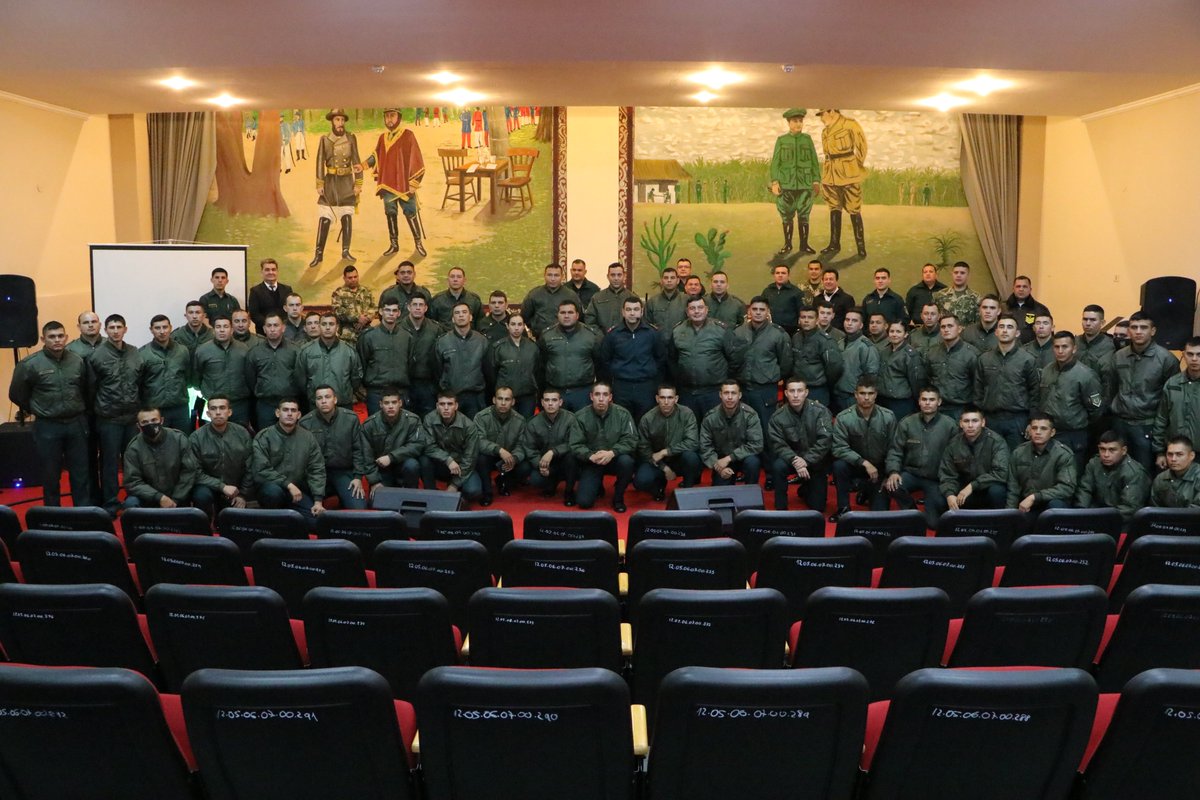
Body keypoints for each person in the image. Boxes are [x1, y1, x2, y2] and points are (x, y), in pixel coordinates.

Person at [7, 320, 90, 506]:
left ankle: (83, 515)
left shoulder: (77, 361)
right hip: (47, 426)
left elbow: (84, 389)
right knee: (50, 475)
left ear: (66, 337)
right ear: (43, 339)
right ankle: (54, 516)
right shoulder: (29, 364)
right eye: (52, 337)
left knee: (80, 474)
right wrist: (36, 408)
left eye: (61, 336)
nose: (57, 340)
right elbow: (16, 394)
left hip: (76, 424)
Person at [1105, 310, 1181, 473]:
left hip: (1147, 426)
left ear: (1152, 331)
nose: (1138, 332)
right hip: (1119, 424)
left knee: (1143, 472)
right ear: (1129, 331)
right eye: (1134, 327)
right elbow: (1111, 388)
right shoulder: (1118, 357)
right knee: (1116, 471)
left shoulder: (1166, 360)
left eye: (1143, 327)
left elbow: (1171, 400)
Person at [88, 314, 144, 516]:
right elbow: (91, 388)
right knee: (110, 463)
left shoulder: (135, 353)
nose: (115, 331)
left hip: (131, 418)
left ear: (125, 329)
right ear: (105, 330)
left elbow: (140, 382)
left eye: (119, 327)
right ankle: (110, 503)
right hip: (108, 418)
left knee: (132, 461)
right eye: (111, 327)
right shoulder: (97, 356)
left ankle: (133, 499)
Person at [884, 386, 957, 528]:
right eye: (924, 399)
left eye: (931, 400)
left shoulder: (950, 425)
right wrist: (893, 472)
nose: (927, 403)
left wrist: (949, 483)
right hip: (912, 474)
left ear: (939, 402)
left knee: (933, 524)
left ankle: (930, 513)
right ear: (919, 401)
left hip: (936, 479)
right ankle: (912, 512)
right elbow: (895, 450)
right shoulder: (907, 422)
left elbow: (955, 457)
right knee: (892, 486)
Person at [829, 377, 896, 520]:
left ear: (876, 395)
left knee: (880, 514)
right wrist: (864, 462)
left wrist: (891, 471)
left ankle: (866, 490)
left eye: (870, 393)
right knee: (838, 465)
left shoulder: (888, 417)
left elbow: (894, 448)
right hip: (856, 465)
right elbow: (839, 448)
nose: (866, 397)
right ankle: (843, 508)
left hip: (879, 468)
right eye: (862, 393)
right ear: (855, 394)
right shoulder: (844, 418)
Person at [364, 106, 426, 257]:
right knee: (390, 213)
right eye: (387, 116)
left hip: (405, 185)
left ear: (399, 117)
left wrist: (414, 182)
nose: (389, 119)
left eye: (392, 116)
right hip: (388, 183)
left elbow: (416, 158)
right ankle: (394, 244)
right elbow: (376, 156)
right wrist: (363, 165)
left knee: (410, 212)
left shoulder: (408, 135)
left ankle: (418, 243)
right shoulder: (382, 137)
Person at [667, 296, 742, 421]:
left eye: (700, 307)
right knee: (689, 430)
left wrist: (722, 377)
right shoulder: (677, 330)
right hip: (687, 392)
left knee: (714, 430)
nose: (696, 311)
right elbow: (672, 359)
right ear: (687, 312)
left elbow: (734, 358)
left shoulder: (720, 330)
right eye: (692, 308)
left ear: (706, 310)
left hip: (713, 392)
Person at [1038, 330, 1104, 470]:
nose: (1060, 351)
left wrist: (1079, 422)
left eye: (1065, 347)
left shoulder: (1086, 375)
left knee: (1072, 475)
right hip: (1048, 433)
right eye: (1056, 347)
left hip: (1073, 435)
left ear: (1074, 348)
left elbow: (1096, 409)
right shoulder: (1046, 371)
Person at [973, 313, 1040, 450]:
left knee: (1015, 460)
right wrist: (979, 417)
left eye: (1009, 327)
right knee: (988, 458)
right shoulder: (984, 359)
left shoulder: (1027, 360)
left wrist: (1031, 421)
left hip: (1017, 420)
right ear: (996, 332)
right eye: (1001, 327)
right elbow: (978, 390)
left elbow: (1035, 392)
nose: (1005, 330)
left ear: (1017, 333)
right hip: (990, 419)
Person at [299, 385, 372, 510]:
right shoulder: (305, 423)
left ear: (335, 399)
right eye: (319, 398)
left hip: (342, 472)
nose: (323, 401)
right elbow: (304, 457)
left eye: (327, 397)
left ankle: (341, 494)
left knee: (359, 508)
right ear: (315, 402)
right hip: (316, 474)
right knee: (303, 508)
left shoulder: (350, 419)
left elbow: (358, 450)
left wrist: (358, 477)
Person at [766, 377, 833, 512]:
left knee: (818, 508)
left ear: (806, 392)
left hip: (815, 459)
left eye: (799, 391)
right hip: (791, 458)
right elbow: (777, 444)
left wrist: (806, 460)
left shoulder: (820, 411)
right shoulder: (778, 416)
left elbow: (825, 440)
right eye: (792, 391)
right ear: (786, 393)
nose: (796, 395)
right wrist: (796, 460)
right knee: (778, 466)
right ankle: (781, 506)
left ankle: (806, 488)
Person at [253, 398, 327, 519]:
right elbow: (261, 470)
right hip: (271, 490)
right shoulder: (264, 436)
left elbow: (317, 468)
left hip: (297, 492)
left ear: (298, 415)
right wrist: (288, 485)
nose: (289, 413)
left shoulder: (307, 437)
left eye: (293, 410)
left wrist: (318, 501)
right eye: (285, 410)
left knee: (315, 521)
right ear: (277, 413)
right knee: (273, 493)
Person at [597, 296, 665, 422]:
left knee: (645, 422)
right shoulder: (613, 334)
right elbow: (605, 360)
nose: (632, 313)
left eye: (635, 309)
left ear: (641, 311)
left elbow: (660, 358)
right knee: (621, 422)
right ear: (623, 312)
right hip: (621, 387)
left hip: (646, 387)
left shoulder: (652, 333)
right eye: (628, 309)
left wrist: (651, 373)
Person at [733, 296, 792, 439]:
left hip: (766, 390)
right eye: (754, 309)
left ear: (768, 312)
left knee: (767, 431)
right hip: (743, 389)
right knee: (743, 431)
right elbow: (733, 359)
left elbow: (786, 364)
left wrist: (771, 376)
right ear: (749, 311)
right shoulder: (738, 332)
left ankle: (768, 461)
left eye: (762, 309)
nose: (758, 312)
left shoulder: (778, 334)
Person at [309, 108, 362, 267]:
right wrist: (320, 183)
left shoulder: (351, 138)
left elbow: (357, 162)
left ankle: (345, 251)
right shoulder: (325, 139)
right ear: (332, 121)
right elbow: (319, 162)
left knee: (347, 217)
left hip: (346, 182)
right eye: (337, 120)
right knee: (325, 219)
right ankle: (319, 254)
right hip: (331, 182)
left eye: (342, 120)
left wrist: (358, 183)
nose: (340, 123)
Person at [574, 381, 638, 512]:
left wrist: (612, 452)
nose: (601, 398)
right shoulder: (580, 416)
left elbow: (631, 440)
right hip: (593, 460)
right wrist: (589, 455)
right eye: (597, 394)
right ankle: (597, 486)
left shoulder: (623, 414)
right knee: (584, 502)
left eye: (605, 394)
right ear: (591, 396)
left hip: (615, 458)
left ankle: (618, 497)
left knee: (627, 462)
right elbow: (575, 444)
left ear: (610, 397)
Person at [189, 394, 254, 520]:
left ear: (229, 412)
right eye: (213, 409)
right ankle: (204, 530)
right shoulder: (196, 438)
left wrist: (243, 494)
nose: (218, 412)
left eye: (222, 408)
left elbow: (251, 466)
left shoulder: (242, 433)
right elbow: (195, 472)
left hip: (237, 488)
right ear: (208, 413)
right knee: (201, 495)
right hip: (210, 487)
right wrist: (222, 487)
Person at [121, 406, 198, 509]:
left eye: (154, 420)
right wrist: (159, 497)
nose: (150, 425)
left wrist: (176, 499)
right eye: (145, 422)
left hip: (179, 497)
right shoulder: (133, 448)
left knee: (201, 494)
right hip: (149, 498)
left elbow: (189, 471)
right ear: (138, 426)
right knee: (130, 503)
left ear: (161, 420)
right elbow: (132, 482)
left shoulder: (179, 439)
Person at [816, 109, 869, 257]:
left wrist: (854, 166)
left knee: (854, 208)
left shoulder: (850, 125)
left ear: (831, 111)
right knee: (834, 207)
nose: (821, 118)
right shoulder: (825, 131)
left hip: (848, 174)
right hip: (830, 174)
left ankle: (861, 247)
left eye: (822, 114)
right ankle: (834, 244)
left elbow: (862, 147)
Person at [633, 384, 701, 501]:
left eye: (670, 398)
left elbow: (693, 442)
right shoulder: (647, 418)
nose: (666, 401)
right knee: (640, 482)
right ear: (657, 399)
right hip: (657, 461)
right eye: (662, 397)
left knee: (692, 458)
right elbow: (644, 449)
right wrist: (664, 468)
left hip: (679, 458)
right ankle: (658, 487)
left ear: (676, 399)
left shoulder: (686, 414)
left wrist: (666, 452)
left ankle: (688, 489)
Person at [769, 107, 821, 256]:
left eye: (800, 121)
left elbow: (814, 162)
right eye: (795, 121)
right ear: (788, 123)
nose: (798, 124)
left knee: (804, 215)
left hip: (805, 184)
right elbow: (775, 163)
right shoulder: (782, 140)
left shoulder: (807, 139)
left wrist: (816, 181)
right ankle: (788, 245)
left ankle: (804, 245)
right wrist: (775, 182)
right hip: (786, 185)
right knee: (787, 214)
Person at [939, 406, 1010, 511]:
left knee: (997, 491)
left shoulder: (996, 442)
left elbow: (1001, 473)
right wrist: (949, 494)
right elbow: (947, 474)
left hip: (986, 489)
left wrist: (973, 486)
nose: (970, 425)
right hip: (964, 491)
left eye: (975, 421)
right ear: (961, 423)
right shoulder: (953, 444)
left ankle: (997, 522)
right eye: (966, 421)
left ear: (983, 422)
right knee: (940, 500)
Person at [519, 387, 583, 505]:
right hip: (546, 463)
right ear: (542, 403)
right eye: (547, 400)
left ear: (560, 402)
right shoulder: (533, 422)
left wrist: (553, 452)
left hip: (566, 461)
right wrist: (540, 465)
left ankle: (569, 492)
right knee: (535, 480)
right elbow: (529, 448)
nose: (550, 404)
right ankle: (551, 482)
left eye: (554, 400)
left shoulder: (571, 419)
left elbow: (574, 443)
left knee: (572, 457)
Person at [1007, 413, 1077, 516]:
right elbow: (1013, 487)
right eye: (1034, 428)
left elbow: (1066, 488)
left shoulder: (1063, 454)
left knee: (1056, 504)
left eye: (1043, 428)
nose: (1038, 432)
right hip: (1025, 505)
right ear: (1029, 430)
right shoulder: (1019, 452)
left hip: (1050, 504)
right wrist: (1010, 513)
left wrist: (1035, 497)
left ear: (1052, 432)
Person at [538, 300, 601, 412]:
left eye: (570, 312)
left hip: (583, 393)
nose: (566, 316)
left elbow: (600, 365)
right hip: (556, 393)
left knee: (582, 427)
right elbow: (541, 367)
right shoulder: (546, 336)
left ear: (577, 315)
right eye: (563, 312)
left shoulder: (591, 336)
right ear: (557, 315)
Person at [1076, 430, 1151, 524]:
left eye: (1112, 450)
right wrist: (1081, 513)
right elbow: (1085, 490)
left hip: (1121, 520)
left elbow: (1129, 508)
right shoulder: (1094, 464)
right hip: (1095, 513)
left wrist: (1101, 520)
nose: (1106, 455)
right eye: (1102, 449)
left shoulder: (1135, 472)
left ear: (1123, 450)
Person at [699, 380, 764, 488]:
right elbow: (705, 447)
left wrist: (730, 458)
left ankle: (750, 494)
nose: (729, 397)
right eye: (726, 393)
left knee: (753, 462)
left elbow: (757, 444)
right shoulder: (710, 417)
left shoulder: (750, 415)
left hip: (744, 458)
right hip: (721, 461)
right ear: (720, 395)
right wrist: (718, 467)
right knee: (720, 498)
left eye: (733, 393)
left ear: (739, 395)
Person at [472, 385, 529, 506]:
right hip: (490, 454)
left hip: (509, 456)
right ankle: (487, 492)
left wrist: (514, 458)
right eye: (500, 398)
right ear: (494, 400)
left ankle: (505, 482)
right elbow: (479, 441)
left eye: (507, 399)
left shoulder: (520, 420)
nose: (503, 403)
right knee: (480, 458)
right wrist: (499, 450)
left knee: (525, 467)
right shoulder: (481, 417)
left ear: (512, 402)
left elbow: (522, 445)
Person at [420, 392, 483, 501]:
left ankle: (456, 498)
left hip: (460, 466)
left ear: (456, 406)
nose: (446, 408)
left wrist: (454, 485)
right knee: (423, 460)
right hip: (439, 463)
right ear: (437, 406)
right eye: (442, 404)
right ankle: (430, 495)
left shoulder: (468, 425)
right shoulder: (429, 419)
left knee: (474, 491)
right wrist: (448, 460)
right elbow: (428, 446)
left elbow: (470, 458)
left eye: (450, 404)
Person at [245, 313, 302, 430]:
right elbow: (250, 378)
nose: (272, 329)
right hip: (265, 404)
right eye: (269, 326)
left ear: (283, 328)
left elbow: (300, 376)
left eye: (276, 325)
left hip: (289, 403)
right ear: (264, 329)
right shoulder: (255, 352)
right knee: (266, 438)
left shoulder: (295, 350)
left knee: (291, 437)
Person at [294, 313, 363, 409]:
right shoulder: (306, 351)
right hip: (316, 405)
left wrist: (344, 392)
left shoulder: (349, 351)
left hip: (343, 404)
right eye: (324, 324)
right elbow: (300, 378)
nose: (327, 327)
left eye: (331, 324)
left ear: (337, 327)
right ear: (319, 326)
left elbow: (356, 379)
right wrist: (311, 394)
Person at [362, 387, 425, 491]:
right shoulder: (369, 425)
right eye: (386, 403)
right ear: (381, 404)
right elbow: (366, 455)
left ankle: (411, 494)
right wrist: (374, 481)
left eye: (394, 402)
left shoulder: (413, 420)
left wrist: (391, 457)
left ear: (400, 403)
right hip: (382, 469)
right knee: (378, 502)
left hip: (403, 465)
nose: (390, 406)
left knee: (412, 465)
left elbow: (417, 445)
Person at [193, 317, 252, 426]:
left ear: (232, 329)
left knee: (240, 436)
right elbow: (197, 377)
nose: (222, 330)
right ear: (213, 330)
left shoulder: (244, 349)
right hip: (213, 404)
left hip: (239, 404)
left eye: (225, 326)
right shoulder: (202, 350)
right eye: (218, 327)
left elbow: (250, 375)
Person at [357, 298, 411, 416]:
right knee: (376, 430)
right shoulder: (368, 336)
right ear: (380, 312)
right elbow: (361, 364)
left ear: (399, 313)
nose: (391, 314)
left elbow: (410, 364)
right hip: (376, 392)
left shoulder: (406, 336)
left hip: (400, 391)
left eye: (394, 311)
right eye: (387, 310)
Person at [435, 301, 489, 416]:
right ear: (453, 319)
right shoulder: (443, 342)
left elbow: (488, 371)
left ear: (470, 317)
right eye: (457, 313)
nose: (460, 315)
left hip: (476, 398)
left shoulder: (482, 341)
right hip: (452, 398)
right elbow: (437, 370)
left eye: (464, 312)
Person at [1153, 336, 1200, 468]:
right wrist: (1160, 452)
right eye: (1190, 354)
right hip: (1175, 453)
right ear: (1184, 355)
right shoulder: (1172, 383)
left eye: (1199, 354)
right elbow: (1162, 419)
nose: (1194, 359)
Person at [140, 314, 191, 431]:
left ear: (170, 328)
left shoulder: (182, 351)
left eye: (165, 327)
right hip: (155, 410)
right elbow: (140, 383)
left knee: (182, 441)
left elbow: (188, 377)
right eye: (157, 328)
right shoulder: (143, 354)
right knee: (159, 443)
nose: (162, 331)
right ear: (151, 330)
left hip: (180, 407)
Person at [485, 312, 540, 418]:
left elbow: (537, 370)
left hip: (528, 396)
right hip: (505, 398)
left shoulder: (533, 347)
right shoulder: (498, 347)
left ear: (524, 326)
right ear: (507, 326)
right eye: (513, 324)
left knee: (526, 427)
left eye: (519, 324)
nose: (516, 328)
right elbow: (491, 374)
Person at [926, 314, 979, 420]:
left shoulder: (971, 354)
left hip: (961, 409)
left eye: (950, 326)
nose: (946, 329)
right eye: (943, 327)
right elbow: (928, 378)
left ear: (959, 329)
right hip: (937, 408)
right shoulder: (932, 352)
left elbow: (977, 384)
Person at [790, 306, 843, 408]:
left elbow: (835, 368)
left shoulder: (825, 341)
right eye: (803, 317)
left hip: (817, 389)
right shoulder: (796, 337)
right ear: (799, 319)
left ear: (817, 320)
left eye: (810, 317)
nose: (806, 320)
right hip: (798, 389)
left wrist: (824, 381)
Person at [401, 295, 444, 418]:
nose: (418, 308)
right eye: (415, 305)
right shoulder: (399, 328)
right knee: (406, 420)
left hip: (428, 384)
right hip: (405, 385)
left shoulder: (436, 329)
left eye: (421, 305)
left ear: (426, 308)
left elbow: (441, 358)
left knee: (428, 420)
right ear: (409, 307)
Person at [877, 320, 927, 421]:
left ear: (905, 334)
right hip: (883, 399)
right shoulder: (884, 351)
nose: (894, 334)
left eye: (898, 332)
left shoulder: (911, 354)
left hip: (901, 402)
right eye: (892, 331)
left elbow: (916, 381)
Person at [832, 308, 879, 412]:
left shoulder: (866, 346)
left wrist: (862, 394)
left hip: (854, 396)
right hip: (837, 393)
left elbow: (871, 375)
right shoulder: (840, 342)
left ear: (861, 325)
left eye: (854, 321)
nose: (849, 323)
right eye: (847, 320)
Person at [520, 263, 580, 337]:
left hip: (566, 337)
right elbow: (524, 316)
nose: (553, 279)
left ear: (562, 276)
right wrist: (534, 327)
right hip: (540, 338)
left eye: (556, 275)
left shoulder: (571, 295)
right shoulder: (534, 294)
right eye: (549, 275)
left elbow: (579, 318)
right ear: (544, 276)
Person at [330, 265, 375, 346]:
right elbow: (337, 310)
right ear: (344, 278)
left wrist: (365, 319)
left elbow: (373, 308)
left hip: (366, 333)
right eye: (350, 278)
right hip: (347, 335)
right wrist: (357, 318)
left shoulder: (366, 291)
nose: (353, 279)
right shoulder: (338, 293)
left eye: (355, 277)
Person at [584, 262, 635, 331]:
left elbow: (638, 321)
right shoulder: (597, 298)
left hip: (627, 339)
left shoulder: (632, 298)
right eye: (613, 275)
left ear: (624, 276)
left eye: (619, 275)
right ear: (608, 276)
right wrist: (600, 336)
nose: (616, 278)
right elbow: (589, 321)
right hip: (603, 339)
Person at [1151, 436, 1200, 508]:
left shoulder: (1198, 477)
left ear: (1191, 456)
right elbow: (1154, 509)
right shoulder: (1161, 479)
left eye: (1179, 454)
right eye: (1170, 454)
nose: (1173, 459)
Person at [246, 258, 292, 333]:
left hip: (285, 332)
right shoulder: (255, 291)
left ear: (277, 271)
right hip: (263, 333)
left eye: (273, 269)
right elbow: (254, 314)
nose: (271, 272)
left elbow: (290, 310)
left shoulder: (287, 289)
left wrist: (281, 325)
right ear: (262, 272)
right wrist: (270, 325)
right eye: (267, 270)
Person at [761, 264, 804, 334]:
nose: (780, 275)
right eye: (777, 273)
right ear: (774, 275)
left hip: (790, 331)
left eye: (783, 273)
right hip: (769, 330)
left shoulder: (797, 292)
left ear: (788, 275)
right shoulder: (767, 291)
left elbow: (802, 312)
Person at [1005, 275, 1050, 342]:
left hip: (1031, 350)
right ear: (1013, 289)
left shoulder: (1041, 309)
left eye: (1025, 287)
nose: (1021, 289)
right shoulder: (1003, 307)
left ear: (1030, 289)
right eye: (1018, 286)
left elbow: (1048, 334)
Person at [644, 266, 685, 332]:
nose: (669, 280)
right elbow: (646, 323)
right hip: (657, 340)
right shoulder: (652, 301)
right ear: (661, 281)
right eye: (666, 278)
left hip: (680, 340)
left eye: (672, 278)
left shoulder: (686, 300)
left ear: (678, 281)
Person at [1077, 304, 1115, 372]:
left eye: (1093, 320)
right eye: (1085, 319)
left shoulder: (1110, 346)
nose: (1088, 323)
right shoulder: (1074, 342)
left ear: (1102, 323)